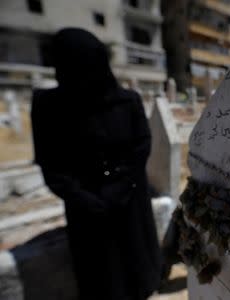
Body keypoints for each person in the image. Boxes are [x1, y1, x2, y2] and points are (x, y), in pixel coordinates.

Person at [31, 28, 162, 300]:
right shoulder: (49, 107)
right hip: (87, 211)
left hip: (129, 201)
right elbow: (50, 162)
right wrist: (85, 198)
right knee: (103, 281)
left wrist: (122, 186)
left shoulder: (127, 101)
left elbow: (141, 146)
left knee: (137, 271)